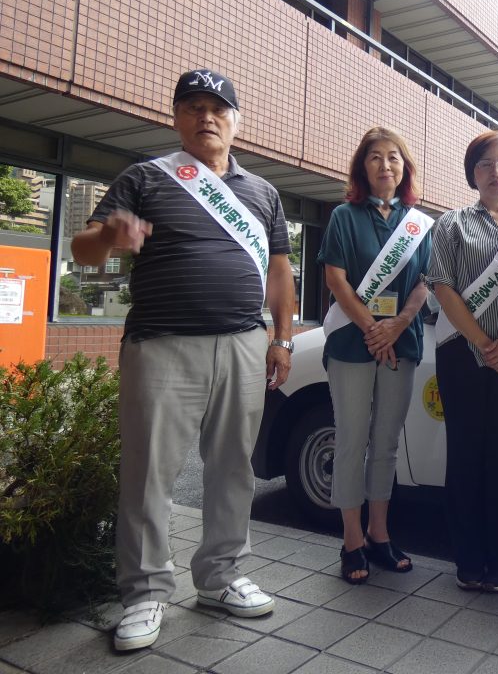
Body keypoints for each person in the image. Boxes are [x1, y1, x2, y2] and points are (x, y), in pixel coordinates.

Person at [71, 69, 295, 651]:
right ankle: (145, 593)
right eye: (193, 107)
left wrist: (283, 339)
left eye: (217, 108)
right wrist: (110, 235)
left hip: (244, 344)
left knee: (234, 467)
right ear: (176, 117)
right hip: (161, 344)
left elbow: (279, 272)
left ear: (236, 121)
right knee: (149, 473)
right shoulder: (145, 177)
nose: (206, 117)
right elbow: (83, 249)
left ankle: (220, 577)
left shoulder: (262, 192)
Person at [428, 131, 498, 593]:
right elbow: (442, 286)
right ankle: (469, 558)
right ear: (472, 173)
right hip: (462, 355)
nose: (496, 171)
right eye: (485, 163)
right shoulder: (451, 224)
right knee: (466, 456)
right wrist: (484, 344)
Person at [318, 126, 432, 585]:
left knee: (385, 443)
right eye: (375, 157)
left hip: (401, 342)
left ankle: (378, 534)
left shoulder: (418, 224)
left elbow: (425, 283)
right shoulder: (344, 217)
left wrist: (398, 325)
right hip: (353, 342)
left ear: (405, 168)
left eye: (394, 157)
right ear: (362, 167)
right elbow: (336, 280)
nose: (386, 165)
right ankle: (351, 540)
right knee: (351, 440)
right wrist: (372, 328)